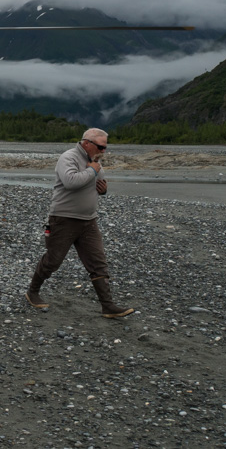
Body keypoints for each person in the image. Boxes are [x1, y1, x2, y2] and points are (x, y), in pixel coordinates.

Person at [25, 128, 134, 318]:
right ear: (86, 143)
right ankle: (32, 291)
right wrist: (92, 169)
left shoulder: (95, 162)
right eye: (100, 147)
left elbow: (96, 182)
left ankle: (107, 306)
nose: (103, 151)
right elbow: (71, 182)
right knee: (53, 261)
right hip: (63, 219)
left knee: (98, 263)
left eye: (105, 147)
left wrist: (103, 190)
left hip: (89, 221)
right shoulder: (68, 157)